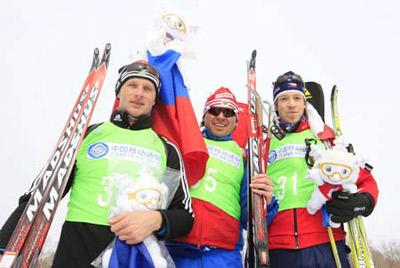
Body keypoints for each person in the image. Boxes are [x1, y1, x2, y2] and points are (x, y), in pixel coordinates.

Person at [0, 61, 194, 267]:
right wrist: (4, 244)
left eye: (147, 89)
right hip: (77, 251)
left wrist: (157, 220)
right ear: (118, 92)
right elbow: (41, 195)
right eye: (132, 85)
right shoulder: (85, 135)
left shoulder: (166, 148)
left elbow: (185, 215)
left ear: (155, 98)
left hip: (135, 255)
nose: (139, 93)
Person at [265, 71, 379, 267]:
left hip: (325, 243)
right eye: (284, 99)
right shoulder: (264, 143)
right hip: (278, 246)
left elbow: (365, 180)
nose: (291, 104)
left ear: (304, 103)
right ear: (276, 105)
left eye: (296, 98)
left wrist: (361, 202)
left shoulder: (327, 140)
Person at [166, 87, 275, 268]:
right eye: (214, 110)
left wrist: (266, 202)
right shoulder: (186, 144)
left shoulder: (244, 157)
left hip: (223, 253)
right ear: (204, 116)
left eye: (228, 112)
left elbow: (250, 220)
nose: (221, 116)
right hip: (177, 248)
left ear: (236, 121)